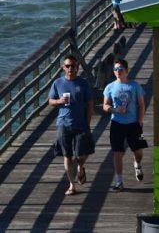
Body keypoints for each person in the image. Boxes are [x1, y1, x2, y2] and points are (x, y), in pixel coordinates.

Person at [48, 54, 94, 196]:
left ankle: (81, 166)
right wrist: (59, 101)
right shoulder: (57, 83)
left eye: (73, 66)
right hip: (63, 124)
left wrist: (88, 122)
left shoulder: (83, 83)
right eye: (67, 66)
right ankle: (71, 185)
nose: (70, 68)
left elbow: (90, 104)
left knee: (81, 154)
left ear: (77, 67)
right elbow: (50, 100)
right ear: (63, 67)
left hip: (81, 123)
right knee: (66, 155)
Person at [103, 58, 146, 192]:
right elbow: (105, 105)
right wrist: (115, 110)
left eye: (120, 69)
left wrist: (140, 120)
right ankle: (119, 181)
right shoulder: (110, 87)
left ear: (126, 71)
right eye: (115, 69)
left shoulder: (134, 86)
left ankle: (137, 163)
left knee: (138, 152)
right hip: (117, 123)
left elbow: (141, 104)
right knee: (117, 152)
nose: (117, 71)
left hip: (133, 123)